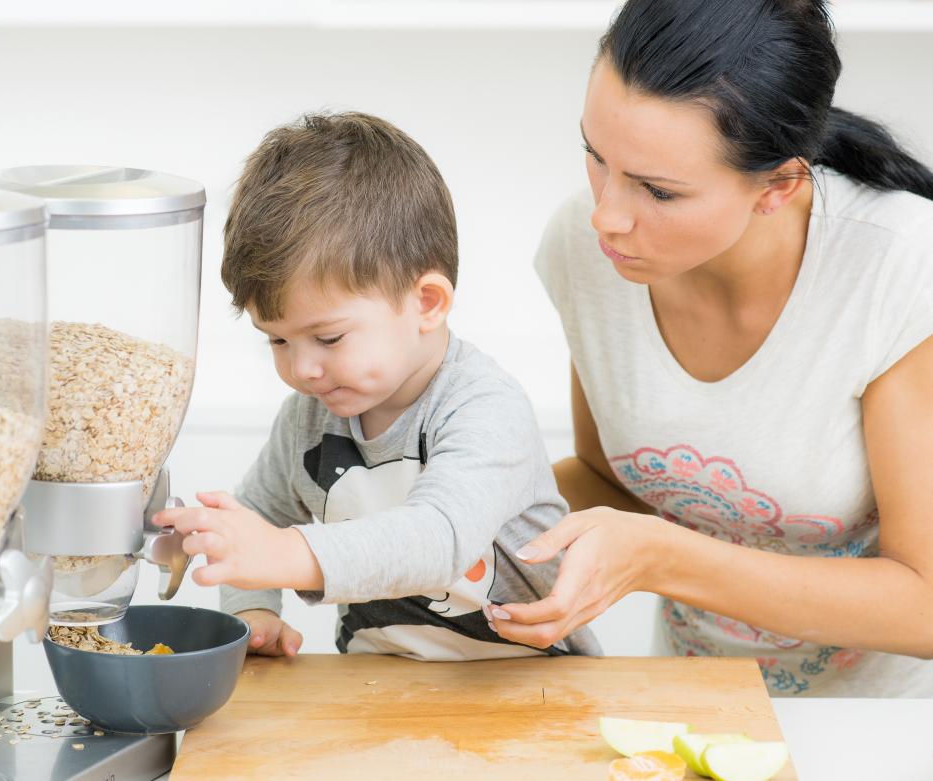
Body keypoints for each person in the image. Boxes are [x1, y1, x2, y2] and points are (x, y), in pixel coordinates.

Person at [490, 0, 933, 696]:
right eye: (595, 156)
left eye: (659, 190)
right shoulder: (588, 246)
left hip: (880, 728)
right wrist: (447, 504)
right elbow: (612, 487)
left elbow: (925, 603)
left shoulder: (898, 269)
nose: (608, 214)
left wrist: (662, 558)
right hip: (697, 705)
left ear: (779, 185)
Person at [153, 111, 599, 661]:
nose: (303, 370)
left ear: (427, 303)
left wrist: (285, 553)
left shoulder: (483, 407)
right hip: (384, 692)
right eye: (278, 342)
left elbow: (437, 540)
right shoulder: (309, 418)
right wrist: (254, 607)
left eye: (329, 337)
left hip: (534, 687)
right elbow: (259, 513)